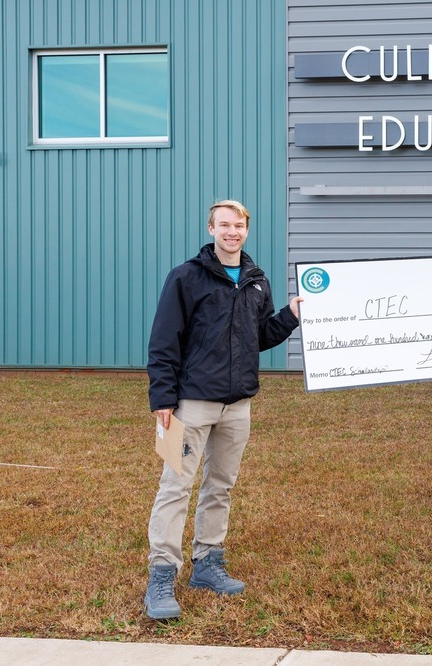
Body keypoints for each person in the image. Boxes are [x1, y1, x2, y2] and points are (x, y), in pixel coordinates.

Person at [144, 199, 302, 619]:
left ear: (247, 231)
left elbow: (259, 335)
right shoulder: (186, 278)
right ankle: (162, 574)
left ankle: (208, 563)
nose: (232, 232)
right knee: (174, 485)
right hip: (187, 405)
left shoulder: (256, 280)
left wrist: (291, 315)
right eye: (225, 225)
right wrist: (161, 399)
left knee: (221, 486)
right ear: (211, 228)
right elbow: (163, 341)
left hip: (237, 406)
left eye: (239, 226)